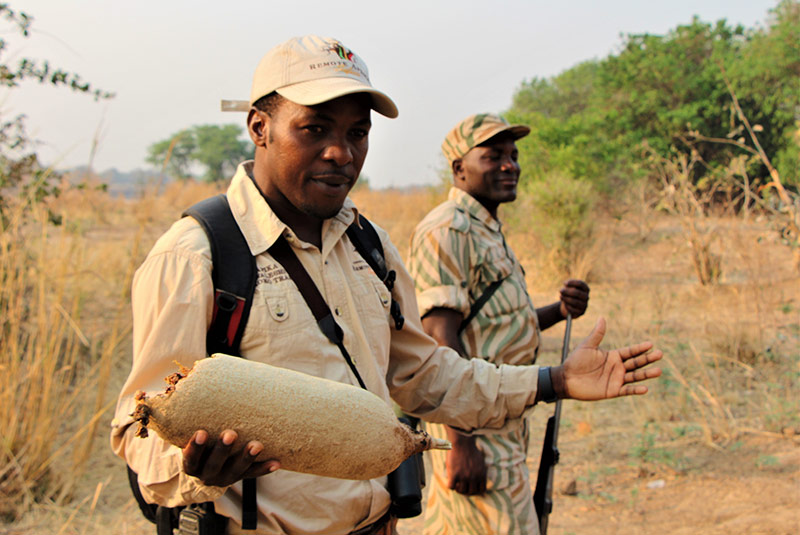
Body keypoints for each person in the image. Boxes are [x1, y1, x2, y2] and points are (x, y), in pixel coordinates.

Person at [110, 35, 662, 535]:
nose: (341, 152)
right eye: (314, 129)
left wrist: (551, 380)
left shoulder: (367, 244)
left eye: (357, 133)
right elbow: (139, 431)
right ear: (260, 127)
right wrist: (195, 469)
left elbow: (426, 374)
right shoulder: (197, 254)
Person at [407, 113, 593, 535]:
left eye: (513, 155)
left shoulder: (484, 226)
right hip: (474, 429)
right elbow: (439, 338)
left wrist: (558, 311)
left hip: (502, 421)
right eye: (493, 157)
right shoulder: (447, 228)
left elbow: (494, 324)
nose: (510, 166)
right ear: (460, 169)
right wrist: (461, 442)